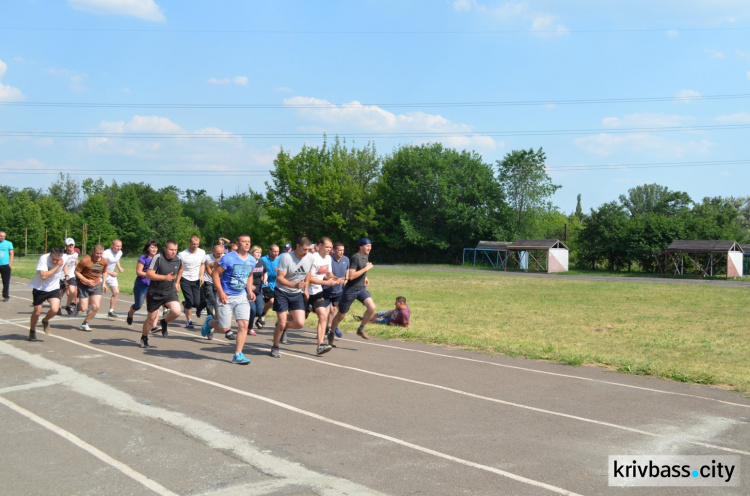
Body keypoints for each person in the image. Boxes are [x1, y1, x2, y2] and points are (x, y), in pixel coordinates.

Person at [201, 234, 256, 364]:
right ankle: (210, 322)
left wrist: (249, 291)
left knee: (243, 324)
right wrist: (220, 292)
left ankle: (238, 354)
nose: (247, 244)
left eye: (249, 241)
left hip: (241, 295)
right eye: (244, 242)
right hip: (226, 295)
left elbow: (250, 275)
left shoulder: (252, 260)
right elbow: (215, 273)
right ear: (237, 243)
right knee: (224, 328)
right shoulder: (228, 258)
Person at [269, 237, 314, 358]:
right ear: (297, 246)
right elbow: (279, 278)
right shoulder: (286, 257)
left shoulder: (310, 257)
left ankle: (282, 328)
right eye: (304, 249)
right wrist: (294, 284)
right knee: (282, 322)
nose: (306, 252)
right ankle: (275, 346)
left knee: (300, 323)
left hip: (297, 293)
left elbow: (308, 273)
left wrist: (305, 288)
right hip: (282, 291)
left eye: (308, 250)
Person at [329, 238, 376, 340]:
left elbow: (360, 269)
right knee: (341, 315)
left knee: (372, 307)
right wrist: (366, 269)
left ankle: (361, 329)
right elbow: (351, 276)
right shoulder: (355, 257)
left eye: (370, 246)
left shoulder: (366, 256)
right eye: (367, 246)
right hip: (350, 290)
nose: (369, 248)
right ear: (361, 246)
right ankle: (331, 333)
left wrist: (365, 277)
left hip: (361, 288)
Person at [140, 240, 183, 348]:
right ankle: (144, 337)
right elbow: (149, 274)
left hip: (169, 291)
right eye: (171, 249)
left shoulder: (178, 259)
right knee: (151, 318)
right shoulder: (158, 258)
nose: (174, 252)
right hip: (155, 293)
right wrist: (164, 277)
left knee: (177, 311)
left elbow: (181, 268)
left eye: (175, 250)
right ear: (165, 249)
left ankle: (164, 322)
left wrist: (177, 282)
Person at [305, 237, 343, 356]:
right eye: (327, 247)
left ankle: (320, 345)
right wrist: (326, 283)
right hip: (305, 291)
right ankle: (283, 325)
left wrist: (336, 279)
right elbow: (309, 278)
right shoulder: (312, 258)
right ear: (319, 245)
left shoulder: (328, 258)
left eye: (330, 247)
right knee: (298, 320)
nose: (329, 250)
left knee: (322, 316)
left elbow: (328, 274)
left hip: (318, 291)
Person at [27, 247, 65, 341]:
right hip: (40, 288)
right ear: (50, 254)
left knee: (55, 309)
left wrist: (67, 276)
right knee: (37, 312)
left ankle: (45, 320)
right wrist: (57, 266)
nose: (55, 261)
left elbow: (68, 265)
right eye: (53, 259)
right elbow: (43, 276)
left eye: (57, 260)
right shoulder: (43, 258)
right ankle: (32, 330)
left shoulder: (64, 259)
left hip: (53, 288)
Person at [74, 244, 109, 332]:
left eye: (101, 253)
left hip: (96, 284)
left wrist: (104, 283)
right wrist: (87, 281)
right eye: (97, 253)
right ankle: (79, 306)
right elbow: (77, 272)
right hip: (83, 285)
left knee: (96, 306)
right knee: (83, 308)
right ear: (93, 251)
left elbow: (105, 272)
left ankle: (85, 323)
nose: (99, 255)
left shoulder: (104, 261)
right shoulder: (85, 260)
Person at [126, 239, 159, 328]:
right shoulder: (143, 258)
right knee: (138, 305)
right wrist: (150, 275)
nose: (154, 249)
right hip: (142, 284)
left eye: (156, 247)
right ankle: (130, 313)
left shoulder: (159, 258)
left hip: (153, 286)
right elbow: (138, 272)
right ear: (148, 248)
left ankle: (154, 326)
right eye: (152, 247)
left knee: (154, 306)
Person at [178, 235, 206, 329]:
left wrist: (201, 275)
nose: (195, 246)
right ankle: (189, 321)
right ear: (189, 243)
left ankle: (185, 304)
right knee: (190, 300)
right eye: (193, 244)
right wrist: (177, 282)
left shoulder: (202, 252)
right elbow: (179, 268)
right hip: (185, 278)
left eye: (197, 244)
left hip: (196, 279)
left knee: (197, 303)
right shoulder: (182, 254)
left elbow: (202, 264)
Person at [324, 242, 349, 346]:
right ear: (334, 250)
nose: (342, 252)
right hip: (326, 290)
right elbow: (325, 274)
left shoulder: (346, 259)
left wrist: (346, 279)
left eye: (343, 250)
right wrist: (335, 279)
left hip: (339, 291)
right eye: (339, 250)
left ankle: (334, 327)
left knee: (341, 312)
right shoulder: (328, 259)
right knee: (323, 315)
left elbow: (347, 269)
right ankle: (322, 336)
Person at [197, 243, 224, 319]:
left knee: (214, 299)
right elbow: (202, 265)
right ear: (213, 252)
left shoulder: (224, 257)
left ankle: (200, 306)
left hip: (218, 282)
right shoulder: (207, 257)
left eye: (221, 253)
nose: (220, 255)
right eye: (218, 253)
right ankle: (210, 316)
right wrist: (201, 275)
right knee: (211, 299)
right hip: (208, 280)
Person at [257, 244, 280, 328]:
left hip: (276, 284)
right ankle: (262, 315)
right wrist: (262, 277)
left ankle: (279, 321)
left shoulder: (280, 259)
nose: (276, 253)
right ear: (270, 251)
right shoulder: (263, 259)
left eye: (277, 251)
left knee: (278, 303)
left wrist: (280, 271)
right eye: (274, 251)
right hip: (265, 283)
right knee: (271, 301)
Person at [102, 239, 124, 318]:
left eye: (120, 246)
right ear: (112, 246)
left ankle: (111, 311)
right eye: (117, 246)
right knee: (95, 293)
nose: (119, 248)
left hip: (111, 275)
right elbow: (101, 267)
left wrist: (119, 267)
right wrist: (111, 273)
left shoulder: (120, 253)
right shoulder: (106, 253)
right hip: (101, 275)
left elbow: (117, 259)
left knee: (116, 292)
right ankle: (89, 307)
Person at [248, 245, 266, 337]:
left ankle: (246, 319)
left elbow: (264, 272)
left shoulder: (262, 263)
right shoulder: (248, 262)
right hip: (248, 290)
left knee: (259, 311)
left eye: (260, 252)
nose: (258, 254)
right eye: (256, 252)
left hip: (259, 290)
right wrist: (249, 285)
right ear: (252, 253)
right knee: (253, 310)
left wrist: (265, 279)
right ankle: (249, 328)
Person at [61, 238, 79, 315]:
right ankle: (57, 307)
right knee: (60, 293)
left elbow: (76, 263)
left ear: (74, 245)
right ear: (65, 246)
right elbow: (64, 266)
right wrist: (66, 276)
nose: (70, 246)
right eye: (69, 245)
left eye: (72, 245)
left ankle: (68, 305)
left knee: (72, 291)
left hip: (71, 275)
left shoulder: (76, 253)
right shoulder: (63, 255)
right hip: (62, 276)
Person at [0, 231, 14, 302]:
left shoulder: (8, 243)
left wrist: (10, 264)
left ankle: (6, 296)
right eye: (1, 236)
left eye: (3, 236)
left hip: (5, 265)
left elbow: (11, 253)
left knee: (6, 281)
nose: (2, 237)